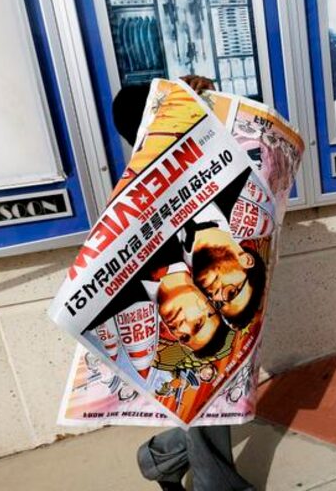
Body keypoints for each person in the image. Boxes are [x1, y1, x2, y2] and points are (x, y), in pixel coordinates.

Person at [112, 75, 255, 491]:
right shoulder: (136, 197)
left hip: (222, 317)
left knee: (220, 394)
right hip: (179, 322)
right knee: (209, 394)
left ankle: (159, 459)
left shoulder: (212, 165)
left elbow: (253, 135)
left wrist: (202, 98)